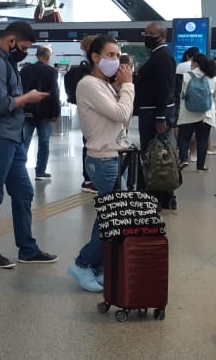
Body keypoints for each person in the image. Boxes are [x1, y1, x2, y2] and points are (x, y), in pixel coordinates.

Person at [0, 21, 58, 269]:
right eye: (23, 47)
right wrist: (27, 98)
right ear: (11, 40)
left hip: (12, 137)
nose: (25, 52)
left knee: (23, 192)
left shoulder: (7, 62)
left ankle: (27, 249)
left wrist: (24, 98)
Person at [68, 36, 135, 292]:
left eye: (117, 55)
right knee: (115, 214)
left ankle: (96, 266)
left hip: (114, 156)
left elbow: (123, 121)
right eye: (110, 55)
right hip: (104, 159)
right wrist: (127, 86)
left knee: (111, 215)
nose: (116, 60)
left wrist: (121, 88)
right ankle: (83, 264)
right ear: (95, 57)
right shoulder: (88, 84)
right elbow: (121, 113)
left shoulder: (105, 85)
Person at [134, 21, 178, 210]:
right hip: (152, 112)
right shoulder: (157, 55)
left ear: (162, 36)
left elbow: (164, 89)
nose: (147, 37)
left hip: (154, 113)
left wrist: (160, 117)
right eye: (146, 33)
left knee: (156, 156)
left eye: (151, 34)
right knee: (158, 155)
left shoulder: (163, 57)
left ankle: (158, 197)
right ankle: (164, 197)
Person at [177, 54, 216, 172]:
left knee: (184, 137)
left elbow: (180, 94)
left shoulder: (186, 76)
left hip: (187, 113)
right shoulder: (212, 77)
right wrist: (213, 105)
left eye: (192, 63)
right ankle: (200, 166)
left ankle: (183, 159)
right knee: (202, 139)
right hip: (206, 114)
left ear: (196, 64)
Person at [20, 46, 61, 182]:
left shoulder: (25, 70)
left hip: (26, 110)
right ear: (48, 57)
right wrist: (56, 111)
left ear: (37, 55)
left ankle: (19, 170)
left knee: (24, 143)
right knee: (44, 143)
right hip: (44, 112)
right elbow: (54, 92)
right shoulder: (51, 71)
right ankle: (40, 172)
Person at [66, 35, 100, 193]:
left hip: (84, 111)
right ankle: (90, 179)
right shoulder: (92, 72)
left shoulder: (82, 68)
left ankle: (89, 178)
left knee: (88, 144)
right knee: (92, 147)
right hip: (94, 113)